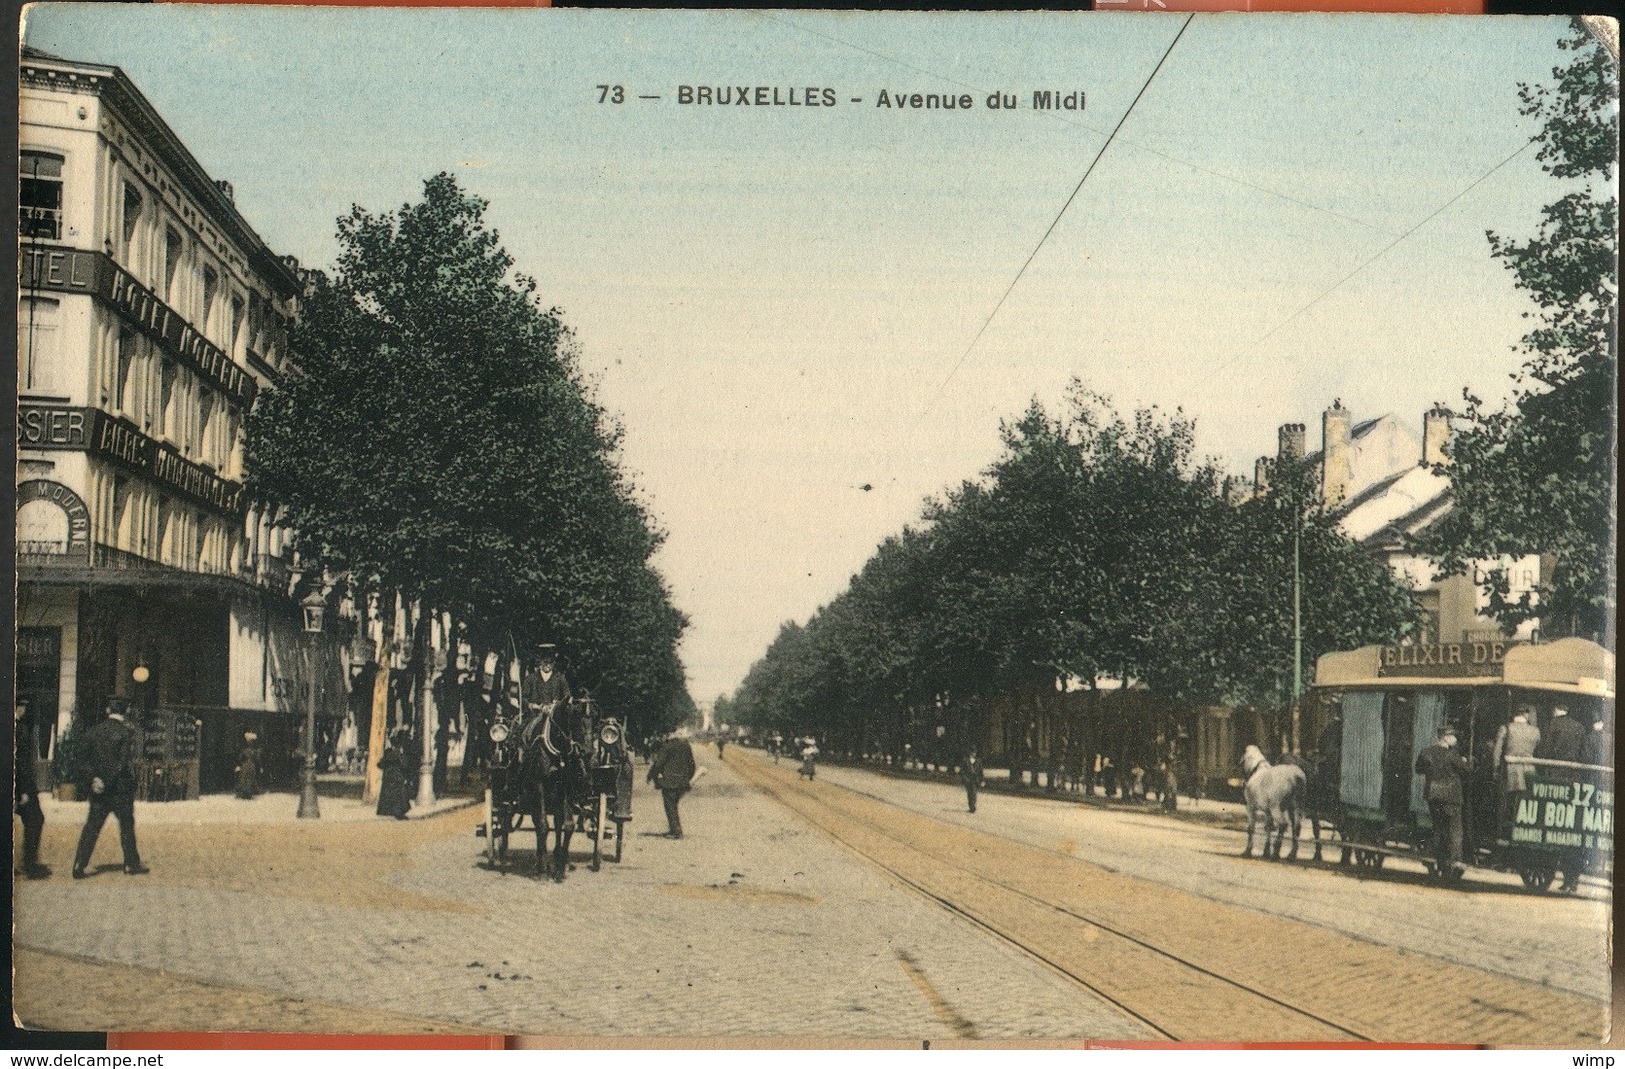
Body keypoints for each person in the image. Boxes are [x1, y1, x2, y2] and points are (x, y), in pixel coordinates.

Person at [72, 699, 148, 879]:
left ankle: (78, 865)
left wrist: (94, 779)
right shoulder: (126, 733)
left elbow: (82, 760)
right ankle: (130, 864)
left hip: (99, 790)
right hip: (120, 789)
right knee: (126, 826)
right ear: (126, 711)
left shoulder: (93, 731)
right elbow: (121, 763)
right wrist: (107, 780)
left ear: (108, 710)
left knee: (91, 827)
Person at [1537, 706, 1588, 892]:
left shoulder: (1552, 725)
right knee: (1571, 829)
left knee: (1551, 825)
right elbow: (1584, 755)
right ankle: (1571, 878)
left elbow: (1543, 751)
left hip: (1554, 779)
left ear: (1556, 709)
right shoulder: (1580, 727)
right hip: (1573, 781)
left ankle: (1550, 867)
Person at [1414, 724, 1470, 882]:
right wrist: (1465, 761)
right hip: (1452, 798)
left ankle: (1434, 858)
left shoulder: (1426, 753)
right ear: (1445, 737)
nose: (1455, 739)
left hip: (1433, 796)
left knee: (1438, 828)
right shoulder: (1452, 755)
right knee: (1455, 830)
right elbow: (1467, 770)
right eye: (1452, 736)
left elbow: (1418, 769)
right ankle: (1455, 861)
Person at [14, 700, 50, 880]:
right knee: (35, 819)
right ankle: (29, 864)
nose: (24, 710)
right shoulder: (19, 730)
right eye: (22, 706)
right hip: (20, 785)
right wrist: (22, 791)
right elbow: (19, 763)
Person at [1491, 707, 1540, 827]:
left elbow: (1497, 751)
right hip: (1529, 769)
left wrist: (1495, 768)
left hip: (1510, 769)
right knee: (1526, 802)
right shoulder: (1535, 731)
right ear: (1526, 715)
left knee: (1507, 801)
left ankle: (1504, 829)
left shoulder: (1506, 728)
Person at [647, 732, 696, 838]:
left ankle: (676, 832)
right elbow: (692, 764)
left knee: (670, 806)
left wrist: (650, 776)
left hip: (670, 782)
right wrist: (688, 778)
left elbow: (658, 764)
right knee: (673, 806)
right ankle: (675, 829)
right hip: (683, 781)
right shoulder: (686, 746)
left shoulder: (667, 746)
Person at [375, 728, 414, 820]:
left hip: (389, 777)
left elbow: (380, 764)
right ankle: (398, 813)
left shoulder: (388, 752)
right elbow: (404, 764)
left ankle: (395, 812)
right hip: (397, 777)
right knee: (399, 795)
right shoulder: (398, 752)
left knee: (393, 795)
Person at [234, 731, 261, 800]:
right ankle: (246, 793)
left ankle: (247, 793)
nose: (250, 743)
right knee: (245, 778)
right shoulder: (253, 751)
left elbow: (241, 758)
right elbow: (256, 759)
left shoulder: (250, 750)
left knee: (247, 778)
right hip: (248, 765)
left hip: (248, 765)